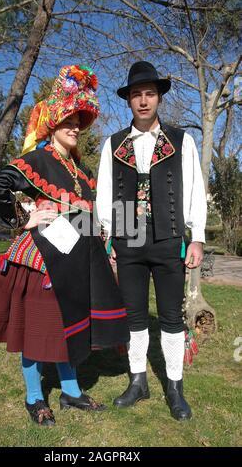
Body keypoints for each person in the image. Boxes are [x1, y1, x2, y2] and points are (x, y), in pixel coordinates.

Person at [0, 65, 129, 427]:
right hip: (43, 260)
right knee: (38, 328)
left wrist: (108, 245)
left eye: (79, 121)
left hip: (78, 261)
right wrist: (22, 218)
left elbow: (92, 215)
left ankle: (71, 390)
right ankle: (34, 396)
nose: (75, 127)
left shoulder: (81, 171)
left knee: (69, 326)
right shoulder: (37, 159)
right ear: (51, 124)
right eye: (67, 121)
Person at [96, 61, 207, 420]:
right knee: (134, 317)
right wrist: (109, 239)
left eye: (149, 94)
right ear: (128, 100)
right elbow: (103, 196)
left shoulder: (181, 140)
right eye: (136, 95)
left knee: (172, 317)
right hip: (127, 240)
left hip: (168, 239)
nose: (143, 101)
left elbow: (194, 191)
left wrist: (197, 238)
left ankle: (174, 387)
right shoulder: (114, 144)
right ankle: (139, 381)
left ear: (158, 98)